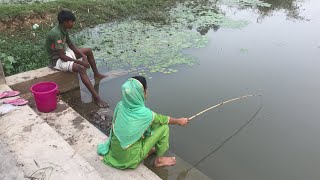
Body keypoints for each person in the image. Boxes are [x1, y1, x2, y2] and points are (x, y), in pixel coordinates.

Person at [97, 76, 189, 169]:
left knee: (150, 125)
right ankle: (159, 160)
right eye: (146, 89)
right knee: (164, 128)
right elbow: (164, 120)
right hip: (129, 159)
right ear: (142, 92)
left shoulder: (120, 105)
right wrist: (179, 121)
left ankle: (147, 150)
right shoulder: (146, 114)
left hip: (115, 153)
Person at [45, 10, 108, 107]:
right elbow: (62, 57)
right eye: (72, 21)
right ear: (65, 22)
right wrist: (80, 62)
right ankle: (96, 97)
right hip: (57, 60)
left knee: (88, 51)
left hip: (64, 53)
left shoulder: (63, 29)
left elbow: (71, 44)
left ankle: (96, 74)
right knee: (81, 69)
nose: (73, 23)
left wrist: (83, 56)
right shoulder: (56, 33)